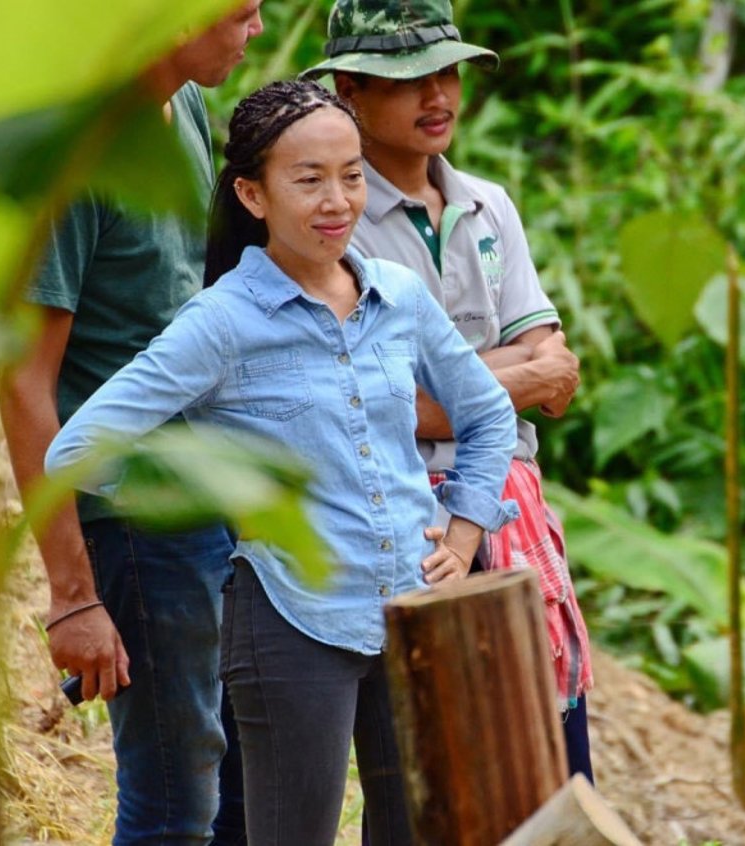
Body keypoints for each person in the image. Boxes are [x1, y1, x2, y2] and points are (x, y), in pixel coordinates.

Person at [45, 79, 519, 846]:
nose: (337, 200)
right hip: (291, 623)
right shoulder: (221, 322)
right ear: (252, 195)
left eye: (353, 174)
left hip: (410, 614)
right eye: (309, 180)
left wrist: (462, 537)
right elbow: (76, 452)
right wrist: (208, 488)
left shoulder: (396, 295)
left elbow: (489, 414)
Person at [302, 0, 596, 782]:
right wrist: (516, 375)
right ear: (350, 91)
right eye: (409, 81)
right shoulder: (340, 219)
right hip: (415, 520)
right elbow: (386, 400)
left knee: (552, 756)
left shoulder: (488, 203)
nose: (438, 98)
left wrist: (472, 380)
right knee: (452, 765)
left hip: (513, 501)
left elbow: (556, 359)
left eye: (448, 73)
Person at [0, 3, 265, 843]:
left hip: (204, 492)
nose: (254, 31)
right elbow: (24, 383)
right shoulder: (81, 154)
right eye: (244, 13)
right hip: (135, 519)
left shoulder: (182, 104)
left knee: (233, 780)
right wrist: (73, 596)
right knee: (173, 803)